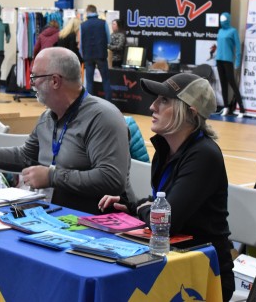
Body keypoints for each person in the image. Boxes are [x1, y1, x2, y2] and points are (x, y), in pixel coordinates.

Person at [98, 73, 234, 302]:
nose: (152, 107)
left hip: (205, 273)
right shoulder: (166, 149)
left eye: (164, 101)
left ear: (189, 111)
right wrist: (131, 207)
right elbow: (162, 208)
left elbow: (165, 221)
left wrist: (144, 207)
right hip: (172, 260)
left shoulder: (204, 155)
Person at [0, 47, 135, 214]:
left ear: (55, 81)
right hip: (54, 216)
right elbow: (24, 157)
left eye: (34, 78)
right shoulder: (48, 117)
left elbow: (112, 179)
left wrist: (52, 176)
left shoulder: (103, 117)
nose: (31, 85)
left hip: (93, 225)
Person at [215, 12, 245, 118]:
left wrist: (237, 62)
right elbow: (218, 46)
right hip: (219, 60)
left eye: (224, 19)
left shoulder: (233, 31)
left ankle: (241, 108)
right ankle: (226, 107)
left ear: (228, 19)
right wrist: (215, 59)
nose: (222, 20)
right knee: (223, 85)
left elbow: (238, 48)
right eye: (221, 19)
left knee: (232, 84)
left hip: (228, 61)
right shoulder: (220, 31)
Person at [80, 4, 112, 101]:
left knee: (89, 81)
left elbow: (81, 43)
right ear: (96, 11)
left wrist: (83, 55)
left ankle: (90, 103)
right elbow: (109, 40)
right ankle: (109, 102)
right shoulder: (103, 23)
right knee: (105, 80)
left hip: (88, 56)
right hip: (101, 55)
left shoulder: (83, 25)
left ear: (87, 12)